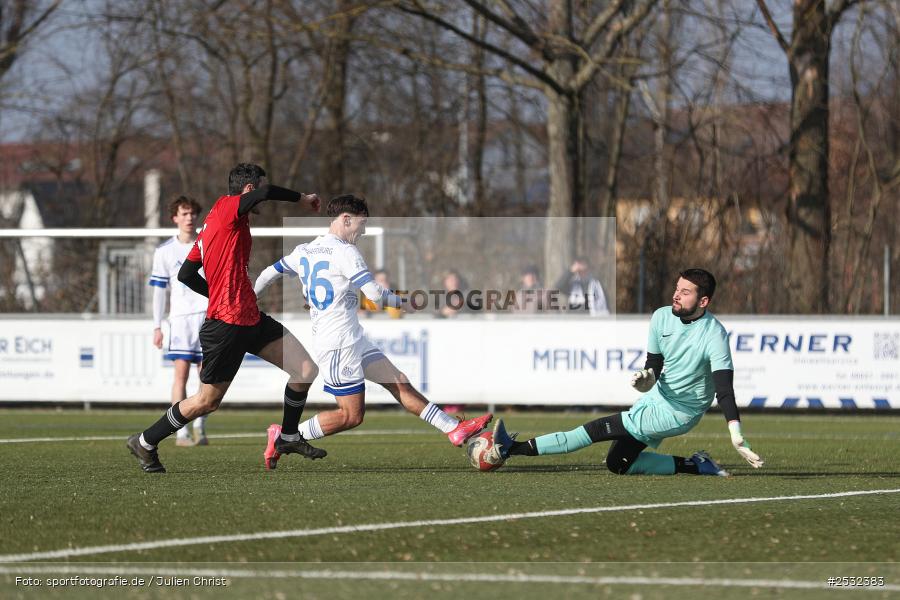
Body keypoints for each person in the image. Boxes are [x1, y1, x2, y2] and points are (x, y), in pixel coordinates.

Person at [254, 194, 492, 469]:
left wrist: (251, 297)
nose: (363, 231)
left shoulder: (305, 250)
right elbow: (375, 294)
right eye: (362, 223)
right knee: (351, 416)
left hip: (351, 337)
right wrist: (402, 302)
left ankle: (453, 429)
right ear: (346, 219)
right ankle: (284, 435)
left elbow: (268, 273)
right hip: (339, 344)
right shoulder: (345, 251)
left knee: (398, 381)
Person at [127, 163, 325, 473]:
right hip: (226, 325)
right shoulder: (227, 209)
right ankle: (145, 441)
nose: (261, 199)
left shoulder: (213, 226)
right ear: (249, 190)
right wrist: (303, 198)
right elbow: (267, 193)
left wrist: (218, 292)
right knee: (206, 401)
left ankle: (287, 437)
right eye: (257, 189)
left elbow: (186, 273)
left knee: (304, 370)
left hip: (250, 318)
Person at [491, 269, 764, 477]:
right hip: (656, 398)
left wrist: (735, 433)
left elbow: (724, 389)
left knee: (594, 430)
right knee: (618, 463)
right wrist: (648, 377)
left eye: (685, 292)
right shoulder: (661, 317)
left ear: (703, 300)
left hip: (679, 412)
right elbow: (654, 363)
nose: (676, 295)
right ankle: (696, 465)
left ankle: (511, 448)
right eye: (676, 288)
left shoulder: (715, 335)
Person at [149, 195, 209, 446]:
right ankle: (181, 432)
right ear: (175, 218)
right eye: (184, 213)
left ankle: (200, 428)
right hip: (180, 320)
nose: (189, 218)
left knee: (206, 377)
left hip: (207, 315)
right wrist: (157, 325)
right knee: (180, 376)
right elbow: (159, 291)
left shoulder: (207, 243)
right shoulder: (164, 251)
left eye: (192, 213)